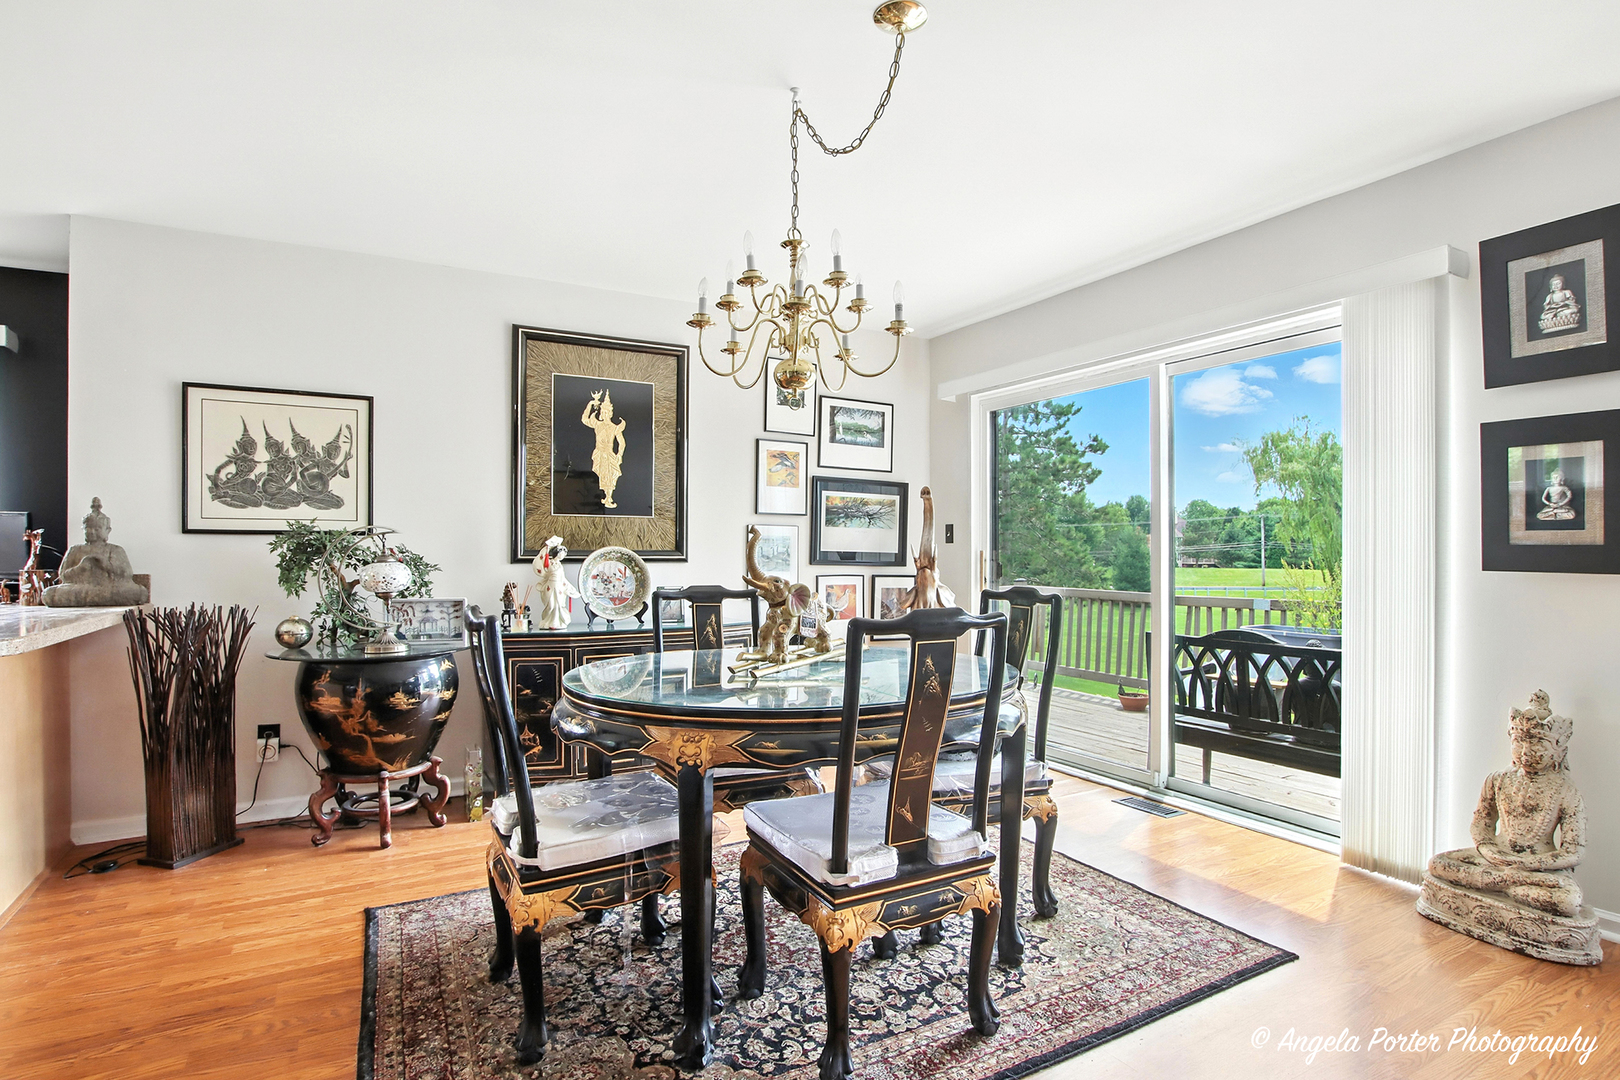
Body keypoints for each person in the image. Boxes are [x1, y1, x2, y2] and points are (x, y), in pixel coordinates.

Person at [1424, 691, 1585, 917]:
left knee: (1568, 901)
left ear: (1558, 751)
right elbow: (1481, 822)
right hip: (1495, 858)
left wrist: (1528, 865)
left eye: (1537, 746)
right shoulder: (1498, 779)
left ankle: (1501, 884)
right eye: (1519, 743)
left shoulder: (1566, 791)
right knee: (1438, 863)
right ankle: (1509, 884)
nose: (1526, 753)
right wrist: (1490, 851)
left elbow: (1573, 851)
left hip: (1537, 867)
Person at [43, 499, 149, 607]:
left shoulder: (115, 550)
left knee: (138, 592)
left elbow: (126, 574)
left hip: (109, 588)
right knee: (49, 594)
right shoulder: (75, 549)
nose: (92, 532)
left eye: (97, 528)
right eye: (89, 528)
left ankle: (93, 597)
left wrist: (105, 565)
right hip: (80, 589)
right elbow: (63, 576)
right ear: (83, 529)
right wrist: (81, 567)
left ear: (108, 530)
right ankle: (94, 597)